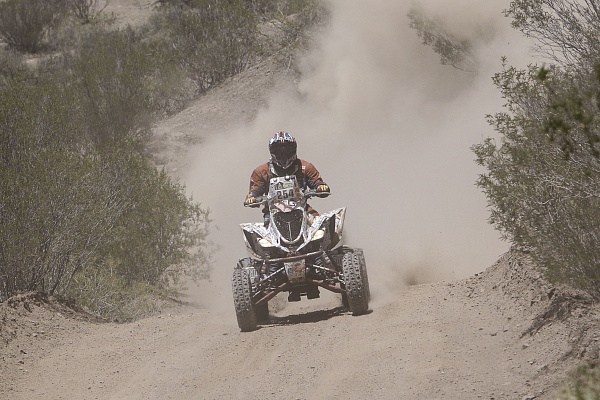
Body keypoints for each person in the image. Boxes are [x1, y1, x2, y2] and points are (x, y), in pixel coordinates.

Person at [244, 131, 330, 223]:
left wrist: (320, 187)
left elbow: (317, 182)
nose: (283, 156)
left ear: (294, 150)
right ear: (272, 152)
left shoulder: (305, 167)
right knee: (258, 234)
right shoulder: (262, 171)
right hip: (272, 213)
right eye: (279, 152)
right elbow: (255, 190)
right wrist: (252, 197)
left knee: (320, 225)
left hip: (302, 209)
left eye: (287, 151)